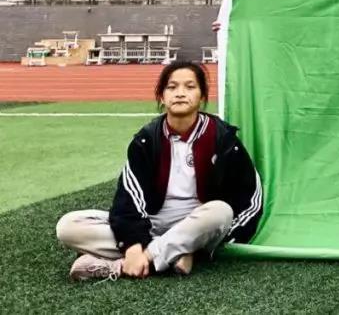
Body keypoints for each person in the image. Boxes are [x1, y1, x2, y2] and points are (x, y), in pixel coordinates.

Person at [56, 62, 262, 281]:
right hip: (152, 223)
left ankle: (124, 264)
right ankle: (176, 253)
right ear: (162, 96)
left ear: (202, 96)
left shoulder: (223, 139)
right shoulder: (146, 140)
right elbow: (128, 199)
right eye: (172, 87)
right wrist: (133, 245)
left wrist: (142, 254)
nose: (180, 93)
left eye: (190, 86)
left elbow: (251, 199)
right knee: (69, 226)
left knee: (221, 212)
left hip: (198, 225)